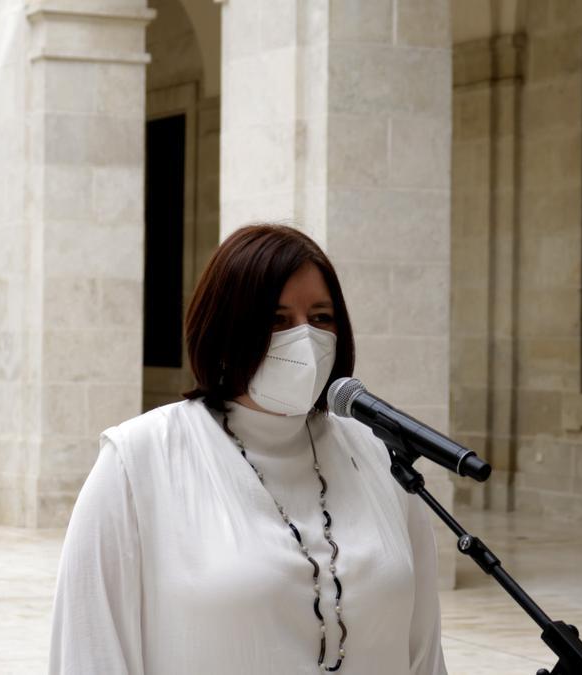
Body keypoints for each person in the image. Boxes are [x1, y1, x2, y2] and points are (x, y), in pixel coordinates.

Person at [49, 224, 447, 674]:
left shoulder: (377, 456)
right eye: (277, 321)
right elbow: (90, 650)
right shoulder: (139, 459)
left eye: (321, 318)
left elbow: (424, 653)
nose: (305, 338)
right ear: (225, 327)